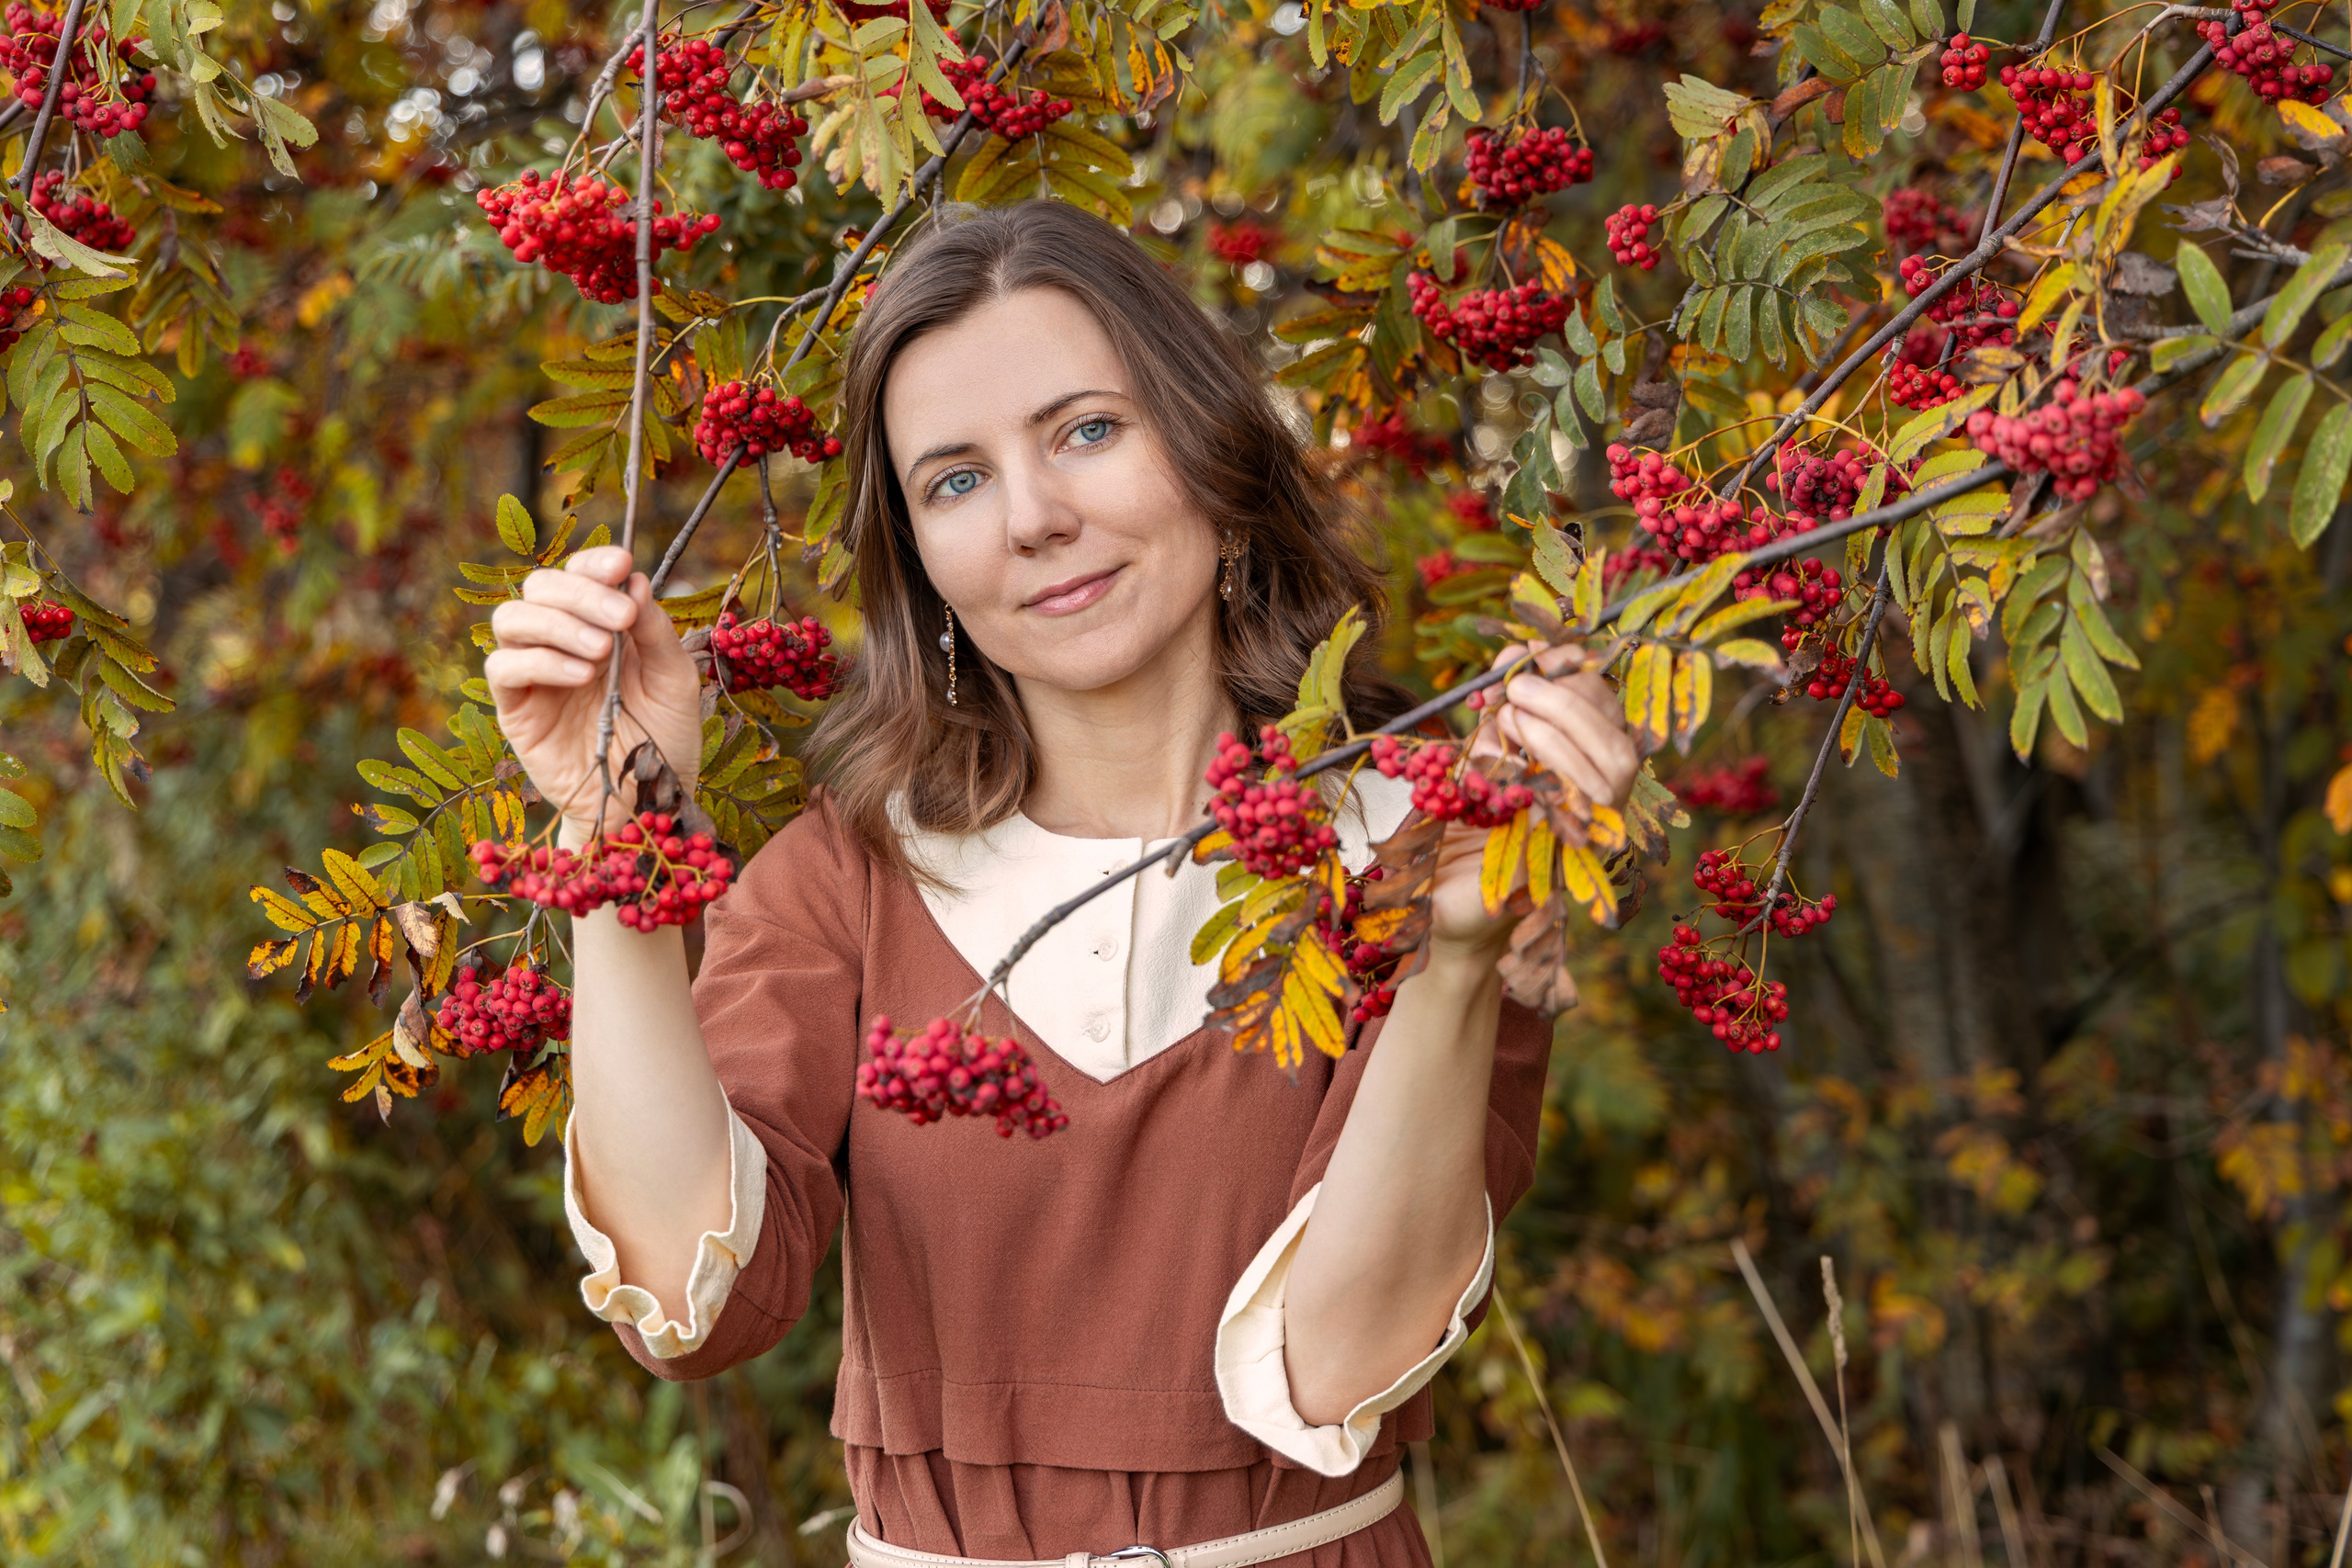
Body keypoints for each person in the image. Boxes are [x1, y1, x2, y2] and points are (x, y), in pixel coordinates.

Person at [482, 199, 1640, 1567]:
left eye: (1088, 430)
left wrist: (1458, 960)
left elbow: (1338, 1368)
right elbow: (687, 1301)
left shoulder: (1418, 846)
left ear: (1210, 448)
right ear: (916, 558)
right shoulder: (852, 880)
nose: (1035, 517)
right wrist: (616, 835)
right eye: (955, 481)